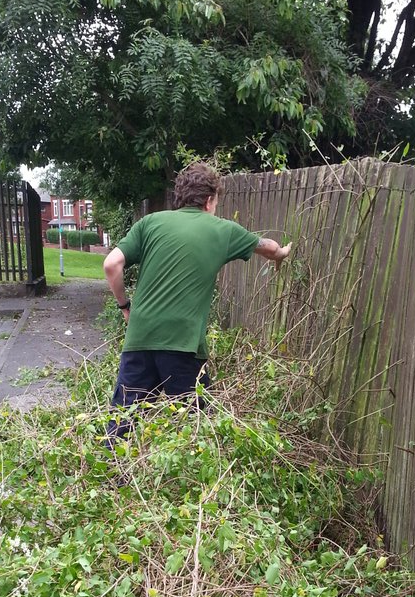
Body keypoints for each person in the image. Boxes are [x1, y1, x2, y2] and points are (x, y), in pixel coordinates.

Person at [103, 162, 292, 418]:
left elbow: (111, 264)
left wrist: (125, 307)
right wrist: (282, 253)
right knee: (197, 427)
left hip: (140, 338)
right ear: (209, 200)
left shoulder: (149, 223)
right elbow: (268, 247)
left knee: (122, 424)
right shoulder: (223, 230)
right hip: (182, 344)